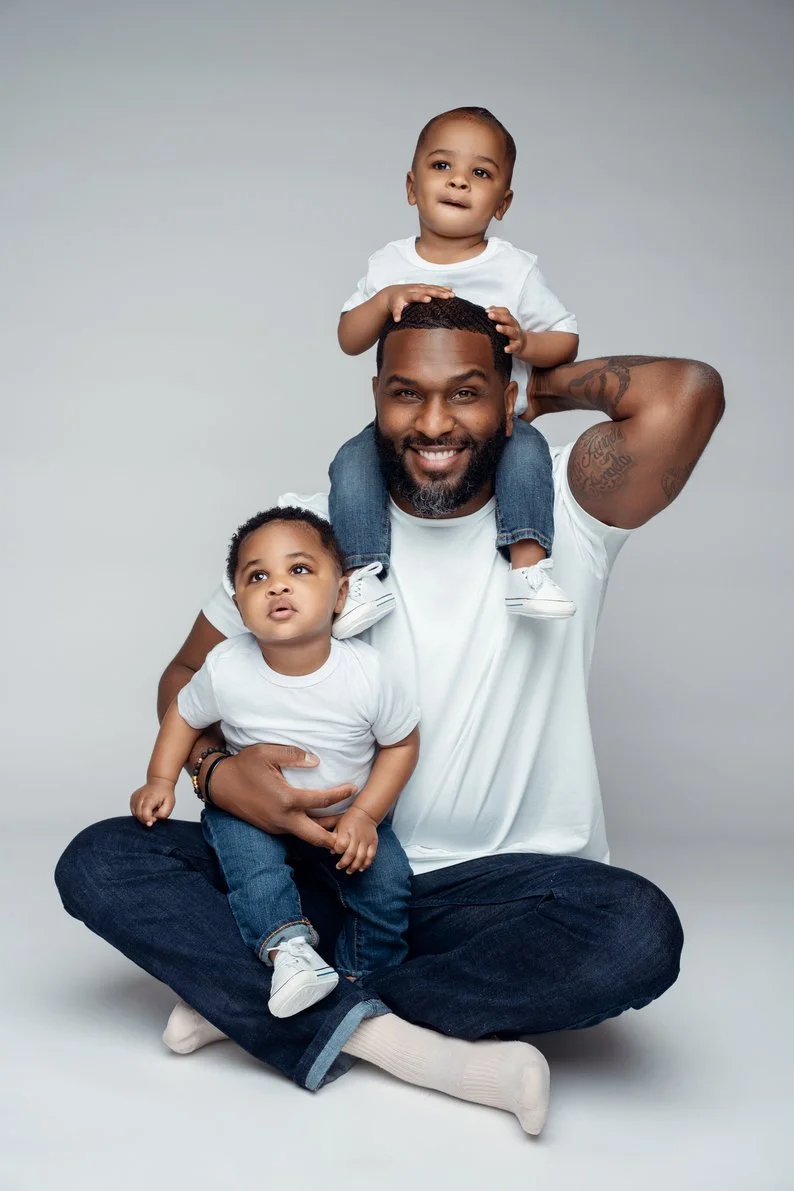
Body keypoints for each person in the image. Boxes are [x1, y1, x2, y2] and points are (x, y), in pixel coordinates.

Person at [54, 297, 724, 1137]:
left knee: (637, 931)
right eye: (407, 393)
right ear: (376, 396)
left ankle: (275, 1003)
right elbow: (188, 673)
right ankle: (402, 1039)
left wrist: (536, 390)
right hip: (319, 867)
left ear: (504, 397)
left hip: (498, 898)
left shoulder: (563, 511)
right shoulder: (310, 535)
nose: (434, 422)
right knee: (103, 860)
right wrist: (216, 774)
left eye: (466, 392)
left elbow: (687, 392)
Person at [129, 507, 420, 1018]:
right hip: (251, 815)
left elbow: (401, 745)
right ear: (239, 607)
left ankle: (367, 979)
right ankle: (290, 955)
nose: (278, 586)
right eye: (257, 577)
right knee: (254, 871)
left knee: (387, 885)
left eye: (299, 570)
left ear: (341, 594)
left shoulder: (368, 674)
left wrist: (364, 815)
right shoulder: (226, 667)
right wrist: (160, 778)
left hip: (342, 819)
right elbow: (183, 715)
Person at [331, 106, 580, 641]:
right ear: (411, 187)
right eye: (442, 165)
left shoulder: (514, 269)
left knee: (529, 457)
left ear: (503, 203)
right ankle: (363, 575)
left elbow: (566, 338)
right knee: (351, 461)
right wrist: (384, 300)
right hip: (409, 422)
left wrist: (527, 341)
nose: (459, 181)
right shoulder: (388, 264)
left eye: (480, 173)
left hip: (496, 426)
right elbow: (349, 338)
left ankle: (528, 567)